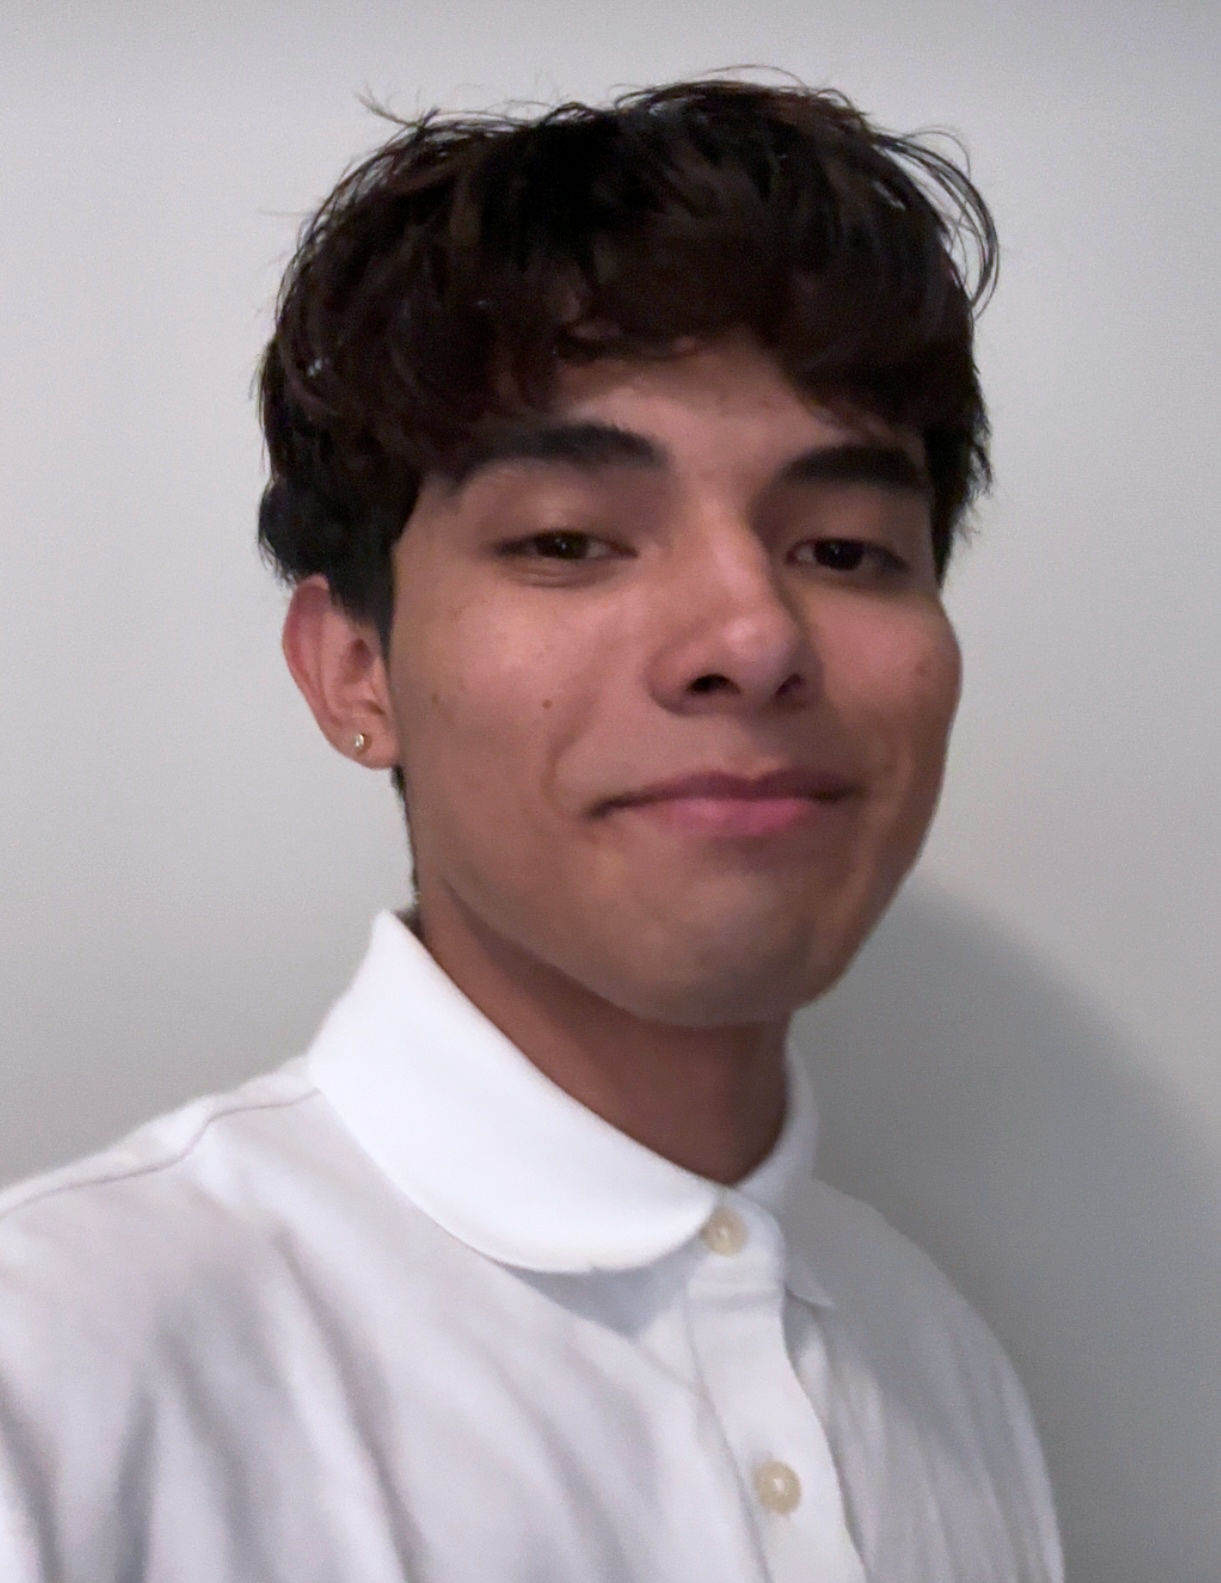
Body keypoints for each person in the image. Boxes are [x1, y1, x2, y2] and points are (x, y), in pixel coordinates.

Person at [0, 78, 1063, 1582]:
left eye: (843, 547)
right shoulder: (55, 1377)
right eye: (566, 540)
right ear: (353, 668)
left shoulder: (936, 1358)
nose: (753, 636)